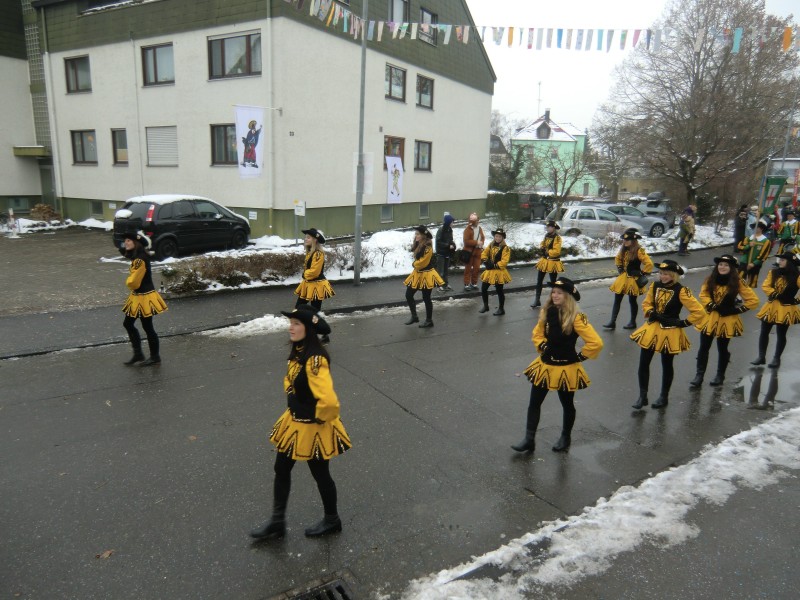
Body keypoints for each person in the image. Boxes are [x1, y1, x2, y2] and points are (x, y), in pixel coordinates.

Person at [250, 305, 351, 540]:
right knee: (281, 468)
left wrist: (317, 418)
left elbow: (328, 400)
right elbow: (290, 378)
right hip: (294, 422)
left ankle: (332, 519)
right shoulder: (299, 350)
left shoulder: (315, 359)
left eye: (296, 324)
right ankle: (277, 522)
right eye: (291, 323)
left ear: (309, 329)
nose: (291, 328)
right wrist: (292, 394)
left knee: (320, 473)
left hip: (313, 427)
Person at [512, 277, 603, 453]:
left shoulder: (577, 317)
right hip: (545, 365)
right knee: (534, 403)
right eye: (553, 292)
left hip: (566, 368)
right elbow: (537, 333)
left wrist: (580, 357)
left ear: (568, 296)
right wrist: (542, 345)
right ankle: (529, 439)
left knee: (567, 404)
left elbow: (596, 342)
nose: (554, 295)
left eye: (559, 293)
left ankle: (565, 437)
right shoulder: (547, 312)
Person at [629, 260, 706, 409]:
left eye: (666, 274)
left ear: (673, 275)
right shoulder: (654, 286)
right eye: (661, 273)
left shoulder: (682, 290)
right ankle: (642, 396)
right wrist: (651, 312)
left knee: (667, 364)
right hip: (652, 328)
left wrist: (683, 323)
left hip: (670, 331)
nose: (662, 276)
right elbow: (647, 303)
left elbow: (699, 312)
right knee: (644, 362)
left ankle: (664, 396)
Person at [689, 255, 759, 387]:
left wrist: (736, 311)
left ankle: (720, 375)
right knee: (704, 347)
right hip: (710, 318)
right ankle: (699, 375)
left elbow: (753, 301)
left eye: (726, 265)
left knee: (722, 348)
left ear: (731, 268)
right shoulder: (710, 279)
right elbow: (703, 294)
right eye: (720, 264)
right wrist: (711, 305)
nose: (722, 267)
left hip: (727, 319)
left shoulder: (738, 281)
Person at [121, 230, 167, 366]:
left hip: (144, 297)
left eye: (128, 241)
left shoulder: (139, 260)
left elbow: (133, 282)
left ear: (136, 243)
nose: (125, 243)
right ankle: (139, 354)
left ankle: (153, 356)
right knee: (131, 324)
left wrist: (128, 281)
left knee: (146, 327)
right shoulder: (138, 257)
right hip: (140, 295)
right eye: (125, 241)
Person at [751, 252, 800, 369]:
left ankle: (776, 358)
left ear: (790, 262)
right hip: (771, 306)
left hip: (786, 308)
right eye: (780, 260)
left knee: (781, 334)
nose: (780, 262)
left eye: (782, 260)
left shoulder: (797, 276)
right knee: (764, 331)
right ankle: (761, 356)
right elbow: (766, 286)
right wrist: (775, 294)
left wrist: (797, 301)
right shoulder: (773, 272)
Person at [604, 229, 654, 330]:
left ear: (633, 240)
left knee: (632, 300)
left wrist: (642, 273)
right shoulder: (623, 249)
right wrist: (620, 268)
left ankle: (632, 322)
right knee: (617, 300)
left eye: (628, 240)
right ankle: (612, 322)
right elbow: (617, 258)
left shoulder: (639, 250)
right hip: (623, 279)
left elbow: (649, 263)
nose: (625, 241)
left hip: (633, 280)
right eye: (624, 240)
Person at [294, 228, 334, 344]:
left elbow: (314, 272)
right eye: (305, 237)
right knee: (299, 308)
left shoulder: (318, 253)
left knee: (314, 311)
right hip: (309, 285)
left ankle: (322, 334)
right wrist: (306, 275)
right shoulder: (310, 252)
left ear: (315, 240)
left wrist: (304, 274)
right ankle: (311, 332)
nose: (305, 239)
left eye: (308, 237)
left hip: (317, 285)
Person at [403, 225, 444, 328]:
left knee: (426, 298)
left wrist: (414, 264)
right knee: (408, 294)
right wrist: (416, 264)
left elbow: (424, 262)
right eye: (415, 234)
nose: (415, 236)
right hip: (417, 274)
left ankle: (429, 320)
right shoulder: (418, 245)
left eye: (417, 234)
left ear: (423, 236)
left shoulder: (428, 247)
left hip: (427, 274)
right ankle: (414, 316)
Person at [530, 220, 564, 308]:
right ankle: (537, 300)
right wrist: (542, 247)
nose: (548, 228)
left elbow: (557, 251)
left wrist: (548, 252)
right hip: (544, 261)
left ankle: (554, 301)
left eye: (550, 227)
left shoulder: (557, 238)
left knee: (553, 282)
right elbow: (543, 244)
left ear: (554, 228)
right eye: (547, 227)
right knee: (539, 280)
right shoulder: (546, 236)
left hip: (553, 262)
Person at [478, 228, 512, 315]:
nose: (497, 238)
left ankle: (501, 309)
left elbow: (504, 261)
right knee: (484, 288)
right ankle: (486, 306)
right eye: (496, 236)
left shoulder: (505, 248)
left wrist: (494, 265)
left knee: (499, 290)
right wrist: (485, 261)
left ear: (502, 238)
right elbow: (484, 253)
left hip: (499, 272)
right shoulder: (491, 245)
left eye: (499, 236)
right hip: (490, 272)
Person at [737, 219, 771, 288]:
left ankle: (749, 296)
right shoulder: (748, 238)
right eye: (754, 227)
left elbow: (764, 255)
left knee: (751, 282)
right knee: (739, 280)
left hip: (755, 264)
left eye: (757, 227)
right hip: (744, 262)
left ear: (761, 228)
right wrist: (748, 246)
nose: (755, 229)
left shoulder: (766, 241)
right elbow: (740, 248)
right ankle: (738, 297)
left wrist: (754, 263)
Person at [462, 212, 485, 291]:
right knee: (468, 269)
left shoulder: (480, 228)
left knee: (476, 268)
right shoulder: (467, 230)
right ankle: (466, 284)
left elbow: (482, 237)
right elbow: (466, 241)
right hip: (469, 252)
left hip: (478, 251)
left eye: (477, 220)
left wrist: (481, 243)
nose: (477, 222)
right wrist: (476, 242)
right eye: (476, 221)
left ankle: (474, 283)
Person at [434, 214, 456, 292]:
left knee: (446, 270)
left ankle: (445, 284)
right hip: (441, 253)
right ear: (448, 222)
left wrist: (453, 244)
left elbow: (451, 240)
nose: (453, 224)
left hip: (447, 253)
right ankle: (439, 285)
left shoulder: (450, 230)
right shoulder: (441, 230)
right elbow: (438, 241)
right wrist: (447, 246)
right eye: (452, 222)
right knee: (440, 271)